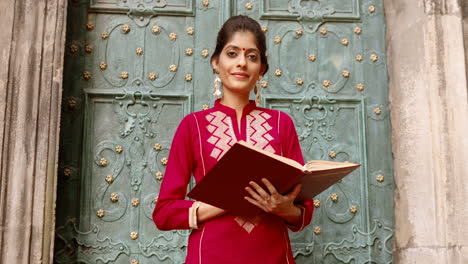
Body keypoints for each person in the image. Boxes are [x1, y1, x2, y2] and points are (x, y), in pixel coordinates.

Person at [153, 15, 314, 264]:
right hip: (209, 257)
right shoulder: (193, 125)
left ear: (261, 69)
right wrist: (225, 203)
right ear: (216, 63)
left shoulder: (281, 124)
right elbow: (163, 213)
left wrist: (283, 208)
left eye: (252, 56)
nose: (242, 63)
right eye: (232, 54)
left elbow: (304, 209)